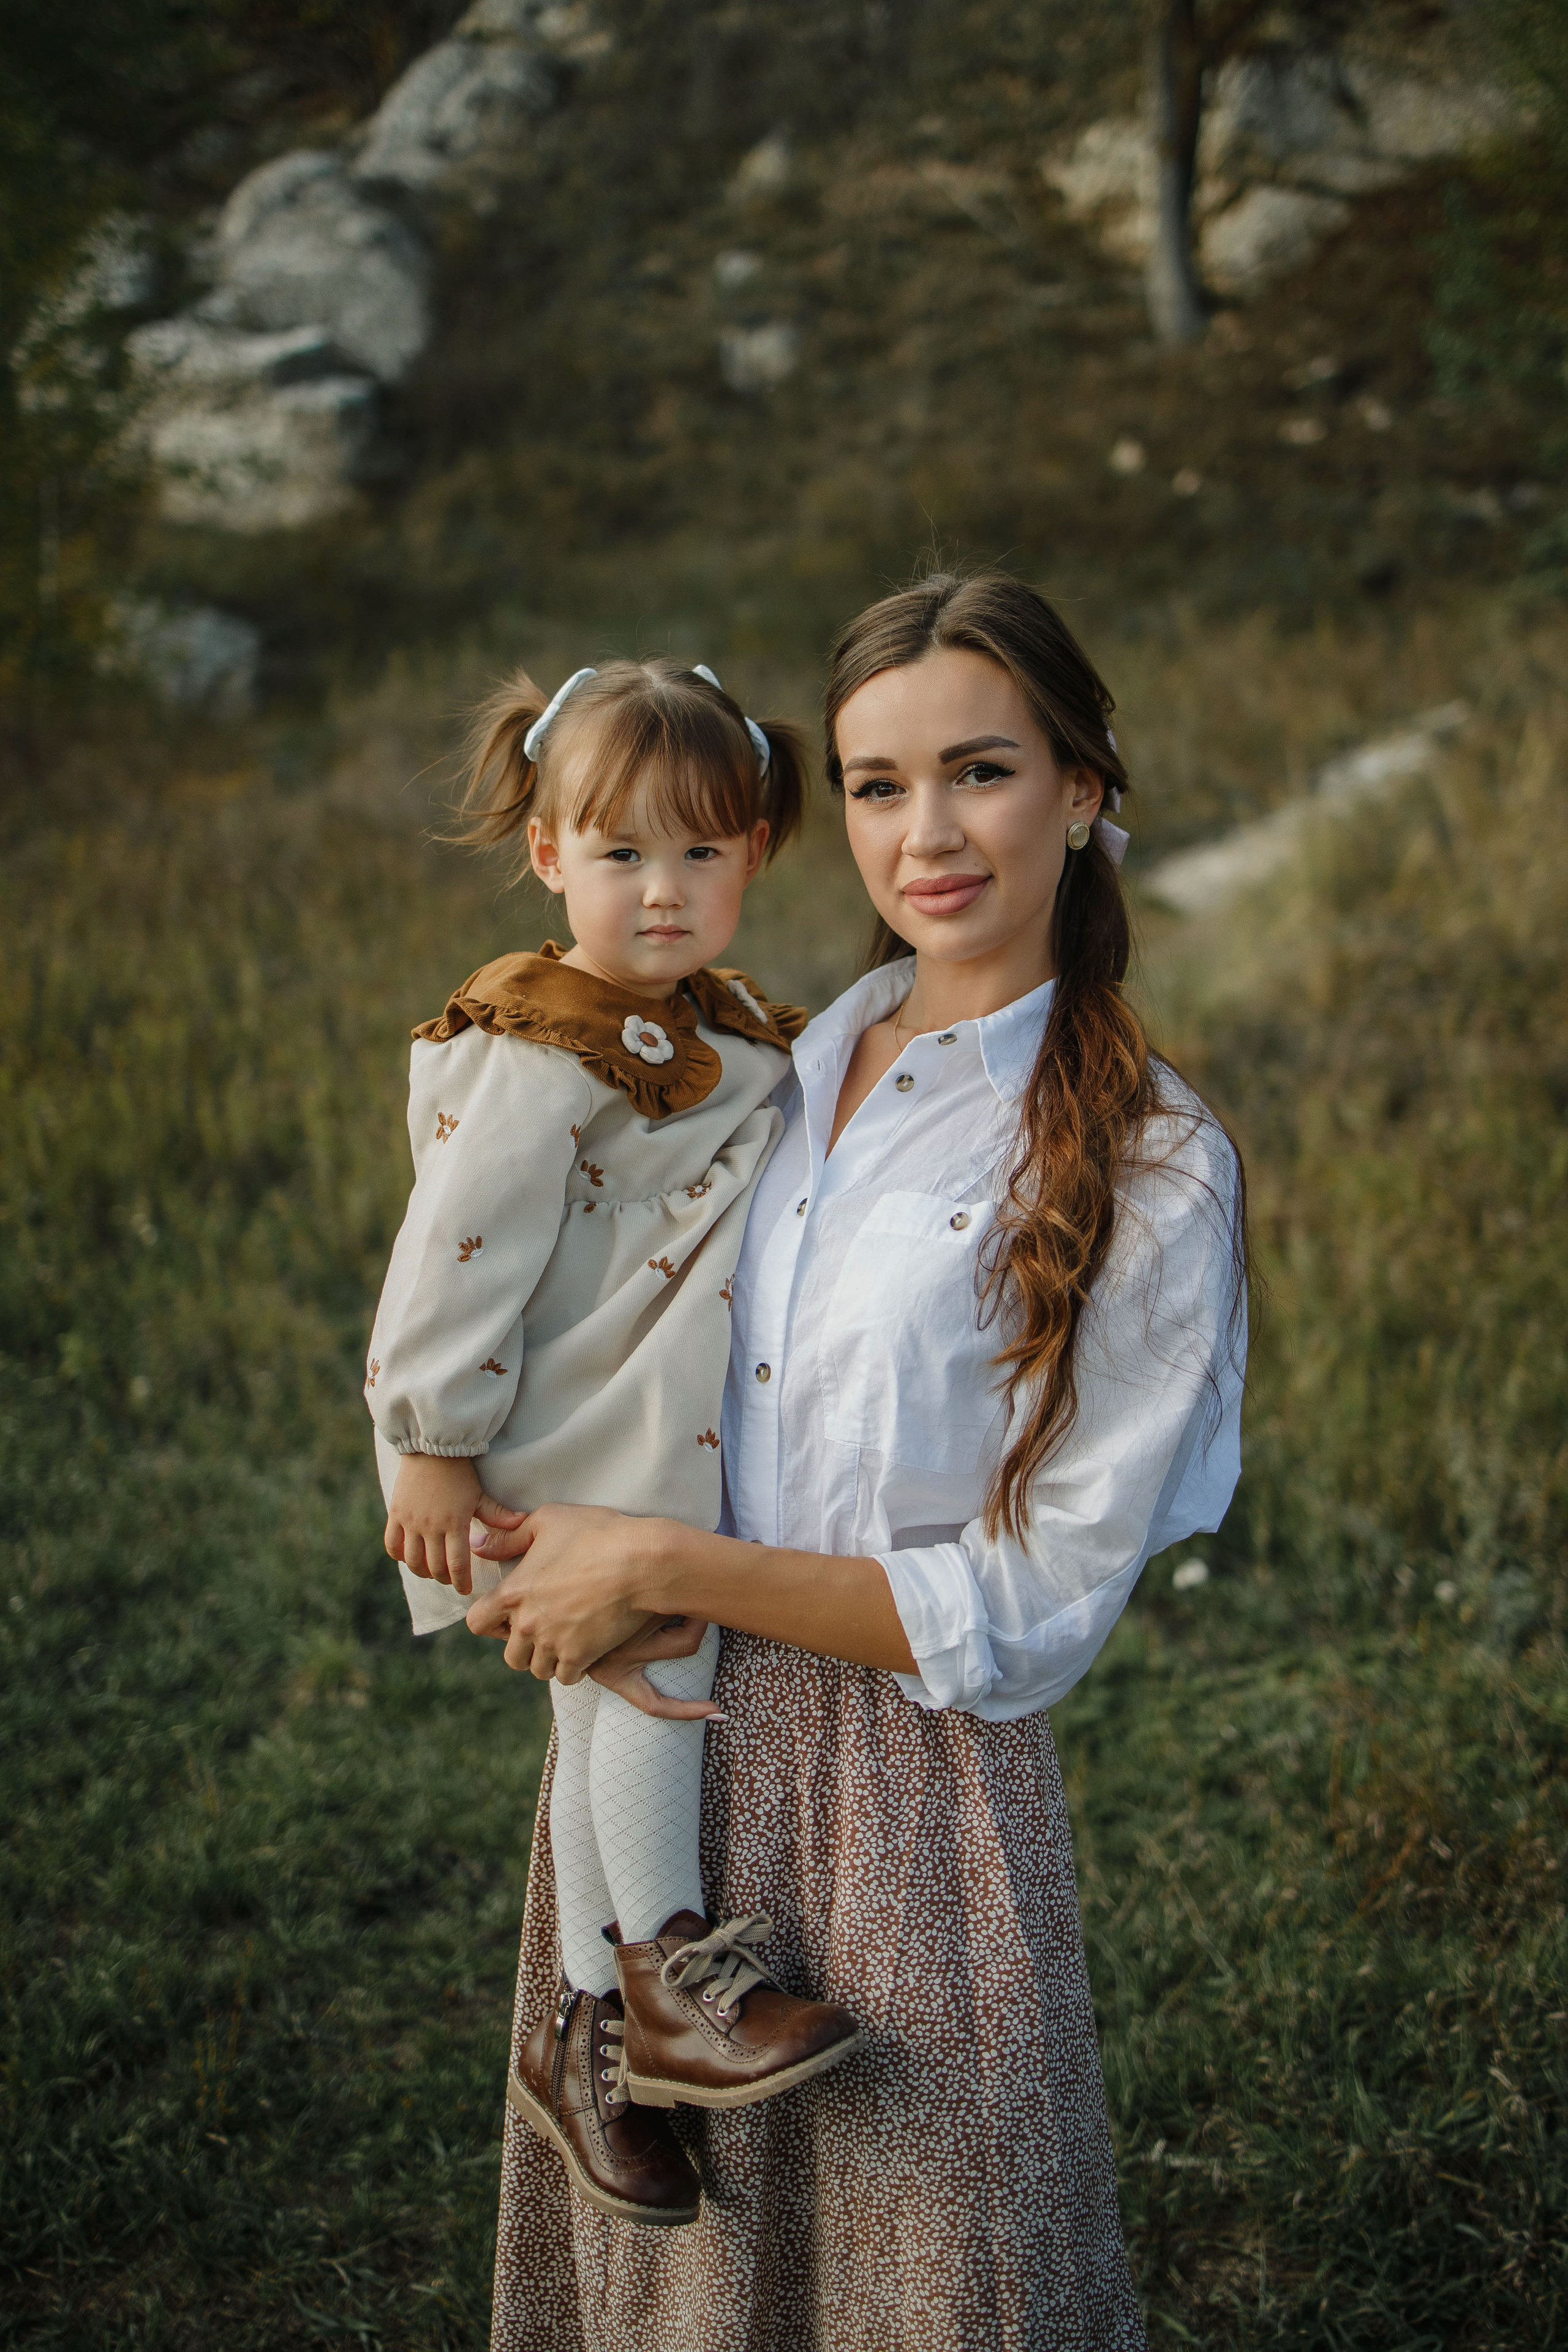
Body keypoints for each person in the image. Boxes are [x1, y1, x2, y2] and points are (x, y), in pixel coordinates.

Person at [468, 572, 1249, 2351]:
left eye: (980, 771)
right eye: (880, 785)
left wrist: (656, 1570)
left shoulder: (1150, 1163)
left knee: (931, 2287)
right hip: (661, 1771)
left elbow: (1043, 1610)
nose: (927, 834)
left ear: (1084, 785)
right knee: (680, 2299)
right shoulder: (772, 1062)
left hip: (914, 1803)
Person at [366, 658, 864, 2233]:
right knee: (650, 1663)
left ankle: (588, 2037)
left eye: (701, 854)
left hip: (640, 1417)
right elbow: (453, 1249)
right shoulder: (540, 1043)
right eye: (622, 855)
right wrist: (429, 1445)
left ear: (757, 852)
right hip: (578, 1432)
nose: (662, 893)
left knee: (600, 1717)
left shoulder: (711, 1026)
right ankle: (667, 1971)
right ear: (548, 859)